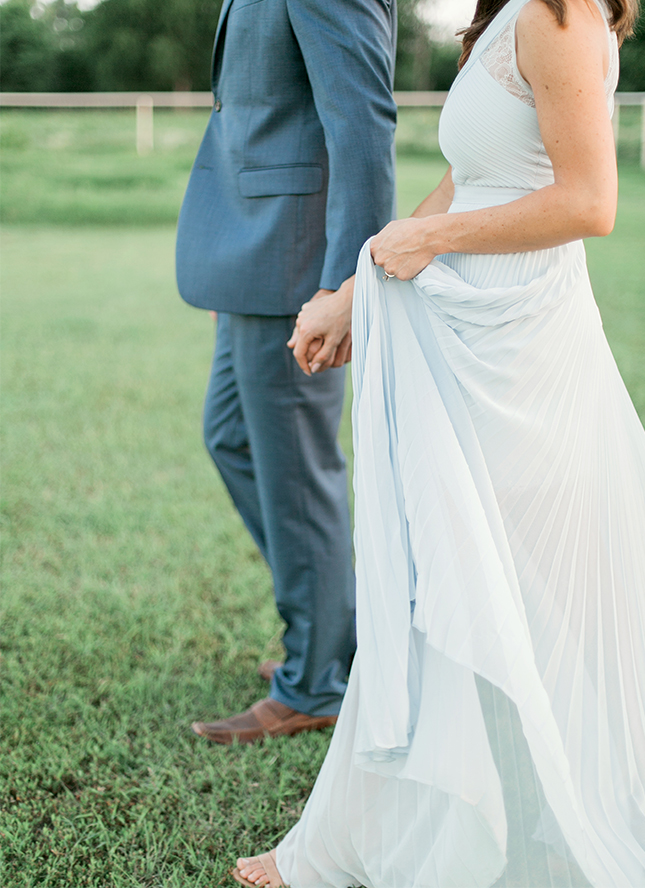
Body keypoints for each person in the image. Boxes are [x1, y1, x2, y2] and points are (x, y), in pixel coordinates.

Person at [232, 0, 645, 885]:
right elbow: (472, 177)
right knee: (433, 577)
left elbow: (589, 201)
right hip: (464, 331)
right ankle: (376, 835)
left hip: (520, 349)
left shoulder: (558, 15)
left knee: (538, 594)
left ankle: (550, 815)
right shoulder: (504, 16)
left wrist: (425, 238)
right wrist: (358, 286)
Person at [175, 0, 397, 745]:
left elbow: (362, 119)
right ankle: (336, 632)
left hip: (295, 260)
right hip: (248, 255)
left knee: (298, 474)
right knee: (230, 436)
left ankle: (318, 680)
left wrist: (344, 285)